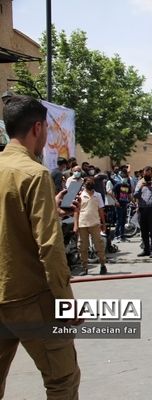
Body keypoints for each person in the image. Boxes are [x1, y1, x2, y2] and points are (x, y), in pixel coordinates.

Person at [0, 95, 81, 398]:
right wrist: (66, 301)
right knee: (62, 380)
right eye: (46, 128)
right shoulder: (34, 175)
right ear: (37, 128)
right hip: (29, 299)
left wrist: (54, 210)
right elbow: (49, 246)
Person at [74, 177, 108, 275]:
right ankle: (84, 267)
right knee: (82, 246)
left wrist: (103, 223)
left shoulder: (97, 195)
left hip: (95, 223)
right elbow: (76, 211)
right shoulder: (79, 196)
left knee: (99, 245)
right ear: (84, 184)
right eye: (88, 182)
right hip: (82, 224)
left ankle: (102, 265)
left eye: (91, 182)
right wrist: (75, 225)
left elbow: (101, 210)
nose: (89, 184)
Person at [134, 166, 152, 258]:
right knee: (144, 231)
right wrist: (141, 187)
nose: (147, 174)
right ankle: (146, 249)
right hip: (142, 209)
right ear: (143, 173)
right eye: (146, 172)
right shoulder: (139, 182)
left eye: (149, 172)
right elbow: (135, 195)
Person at [113, 171, 133, 242]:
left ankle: (122, 236)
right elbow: (112, 193)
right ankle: (117, 235)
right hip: (119, 204)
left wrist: (133, 202)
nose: (125, 179)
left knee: (123, 220)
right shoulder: (118, 185)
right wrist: (116, 201)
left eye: (126, 177)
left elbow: (129, 195)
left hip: (125, 204)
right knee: (119, 220)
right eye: (123, 177)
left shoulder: (127, 185)